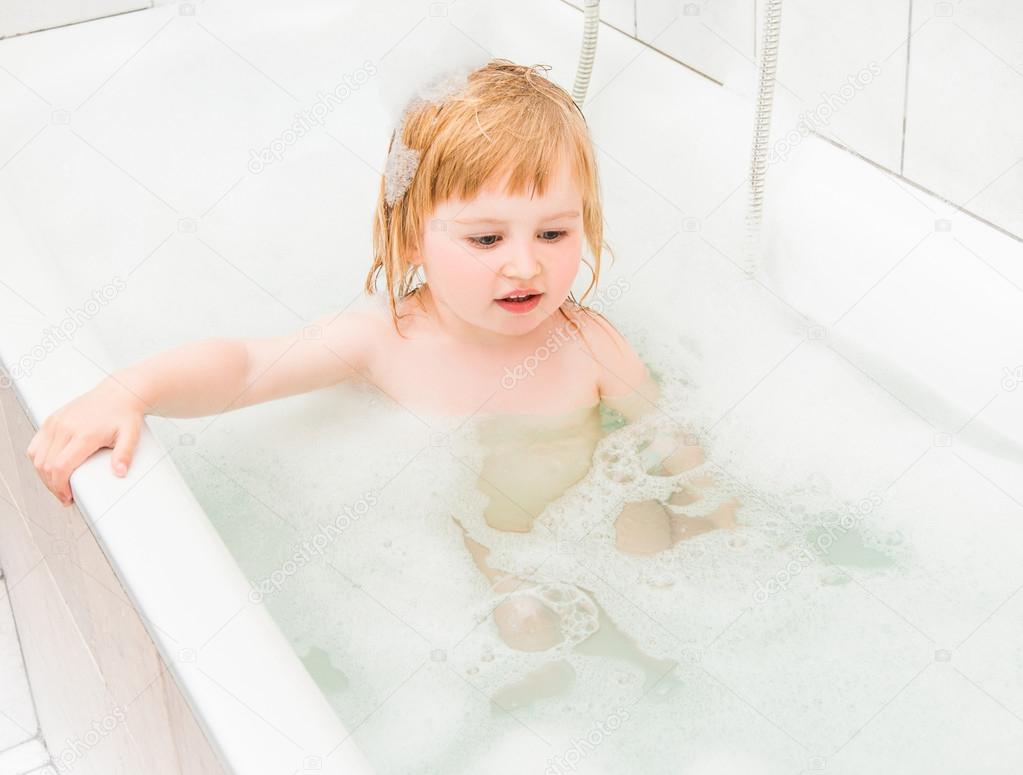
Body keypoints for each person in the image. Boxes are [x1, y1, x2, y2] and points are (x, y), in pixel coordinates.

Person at [26, 59, 734, 658]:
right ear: (411, 235)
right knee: (525, 633)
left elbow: (669, 439)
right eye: (485, 239)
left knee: (666, 591)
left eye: (553, 231)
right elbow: (244, 367)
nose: (525, 265)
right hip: (494, 541)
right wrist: (132, 387)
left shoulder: (588, 344)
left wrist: (715, 520)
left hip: (597, 514)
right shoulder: (385, 342)